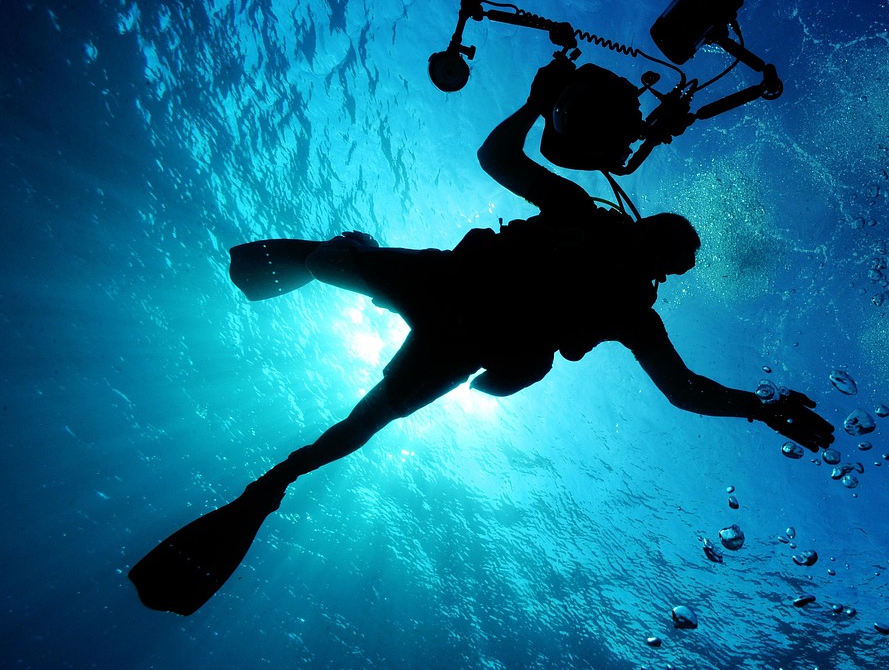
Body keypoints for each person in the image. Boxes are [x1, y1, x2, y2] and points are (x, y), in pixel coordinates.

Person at [129, 59, 834, 615]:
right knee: (326, 263)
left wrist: (763, 408)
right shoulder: (576, 208)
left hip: (462, 345)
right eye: (661, 239)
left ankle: (267, 489)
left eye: (668, 259)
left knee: (362, 426)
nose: (655, 255)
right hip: (447, 286)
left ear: (663, 271)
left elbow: (684, 391)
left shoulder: (631, 315)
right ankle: (343, 250)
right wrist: (534, 105)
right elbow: (497, 159)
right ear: (643, 228)